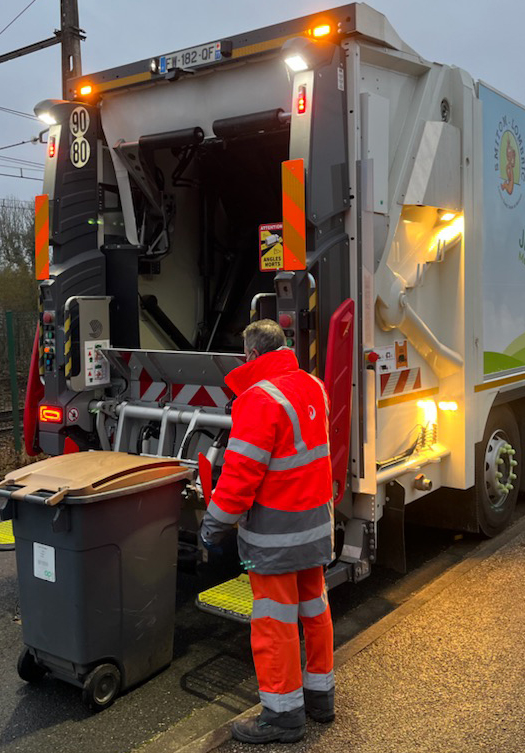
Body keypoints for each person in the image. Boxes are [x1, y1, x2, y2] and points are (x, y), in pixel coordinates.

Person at [201, 319, 335, 745]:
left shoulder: (259, 400)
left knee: (274, 621)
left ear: (253, 356)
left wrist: (213, 525)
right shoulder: (314, 386)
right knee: (314, 610)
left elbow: (241, 476)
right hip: (315, 527)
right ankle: (320, 698)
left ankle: (282, 716)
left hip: (275, 536)